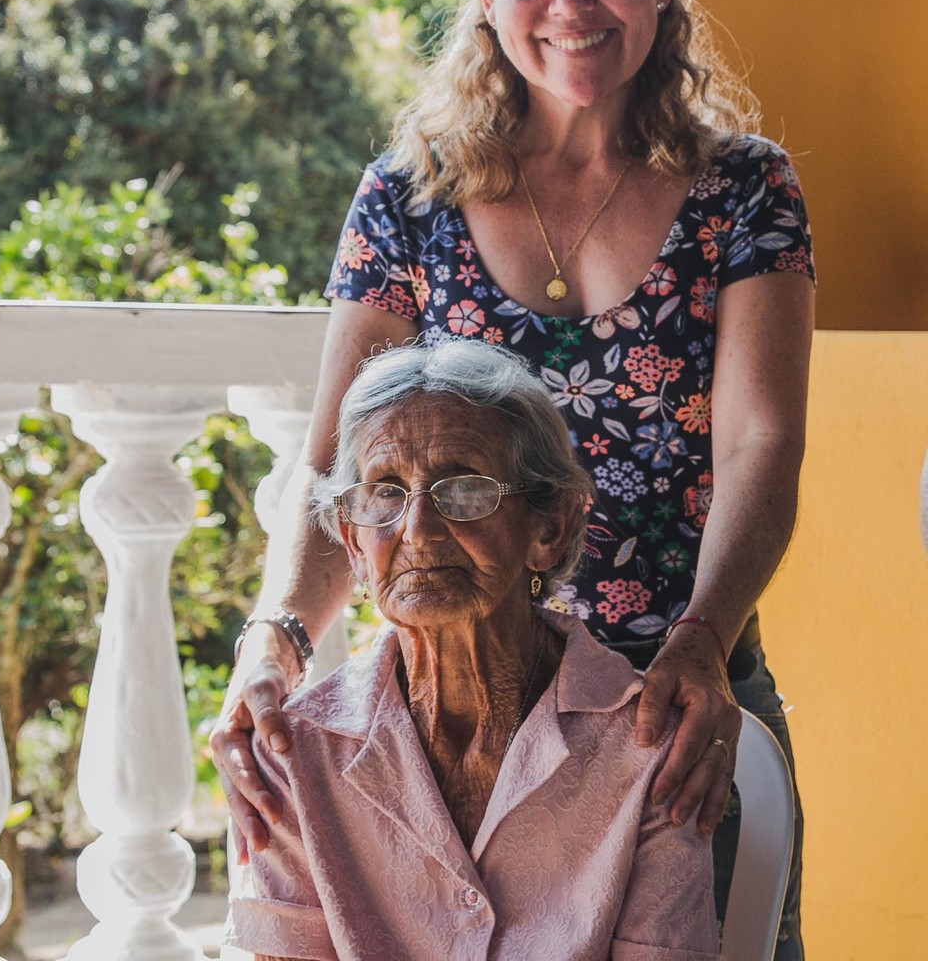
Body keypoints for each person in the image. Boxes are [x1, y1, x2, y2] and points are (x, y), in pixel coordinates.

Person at [214, 0, 814, 958]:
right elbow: (342, 464)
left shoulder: (745, 189)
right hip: (447, 728)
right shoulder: (408, 198)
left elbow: (760, 451)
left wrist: (700, 640)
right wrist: (276, 642)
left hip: (669, 700)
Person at [224, 340, 720, 961]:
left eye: (463, 488)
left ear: (550, 528)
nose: (418, 529)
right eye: (384, 492)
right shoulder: (293, 757)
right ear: (352, 544)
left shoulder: (651, 751)